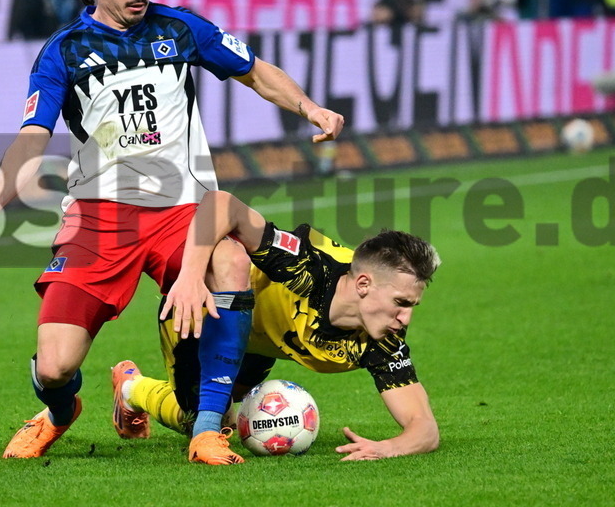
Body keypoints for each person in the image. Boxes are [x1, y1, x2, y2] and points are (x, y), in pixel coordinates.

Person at [0, 0, 344, 464]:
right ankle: (59, 412)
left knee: (229, 260)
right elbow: (32, 135)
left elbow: (256, 72)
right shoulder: (64, 52)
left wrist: (310, 108)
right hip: (99, 219)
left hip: (181, 210)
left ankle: (208, 430)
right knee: (54, 366)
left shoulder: (181, 29)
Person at [110, 189, 441, 462]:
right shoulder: (307, 268)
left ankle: (154, 393)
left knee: (219, 418)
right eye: (401, 303)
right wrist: (191, 277)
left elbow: (424, 428)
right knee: (196, 420)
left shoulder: (383, 340)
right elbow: (221, 203)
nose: (406, 318)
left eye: (412, 306)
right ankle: (130, 388)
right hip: (208, 311)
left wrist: (387, 448)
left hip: (265, 343)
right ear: (364, 284)